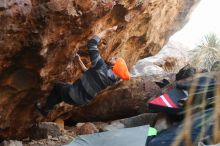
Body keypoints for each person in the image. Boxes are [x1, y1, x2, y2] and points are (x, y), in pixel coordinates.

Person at [36, 26, 130, 116]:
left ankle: (46, 109)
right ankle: (47, 109)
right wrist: (79, 60)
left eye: (115, 59)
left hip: (73, 94)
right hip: (81, 101)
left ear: (114, 65)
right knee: (62, 92)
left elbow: (92, 43)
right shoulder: (110, 79)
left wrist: (108, 30)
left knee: (57, 86)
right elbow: (87, 73)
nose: (113, 57)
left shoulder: (101, 66)